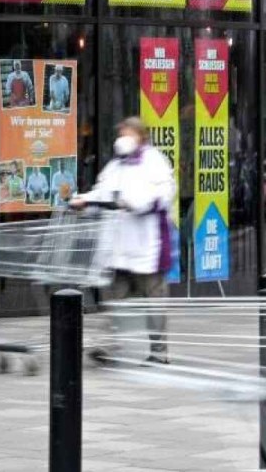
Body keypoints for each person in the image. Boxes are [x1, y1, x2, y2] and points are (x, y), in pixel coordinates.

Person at [71, 117, 176, 364]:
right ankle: (110, 346)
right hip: (120, 247)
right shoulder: (116, 165)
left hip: (147, 246)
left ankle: (158, 352)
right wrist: (85, 201)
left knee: (154, 301)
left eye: (127, 131)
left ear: (141, 135)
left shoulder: (155, 162)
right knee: (116, 300)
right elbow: (103, 192)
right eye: (120, 132)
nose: (122, 136)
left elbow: (163, 195)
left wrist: (135, 203)